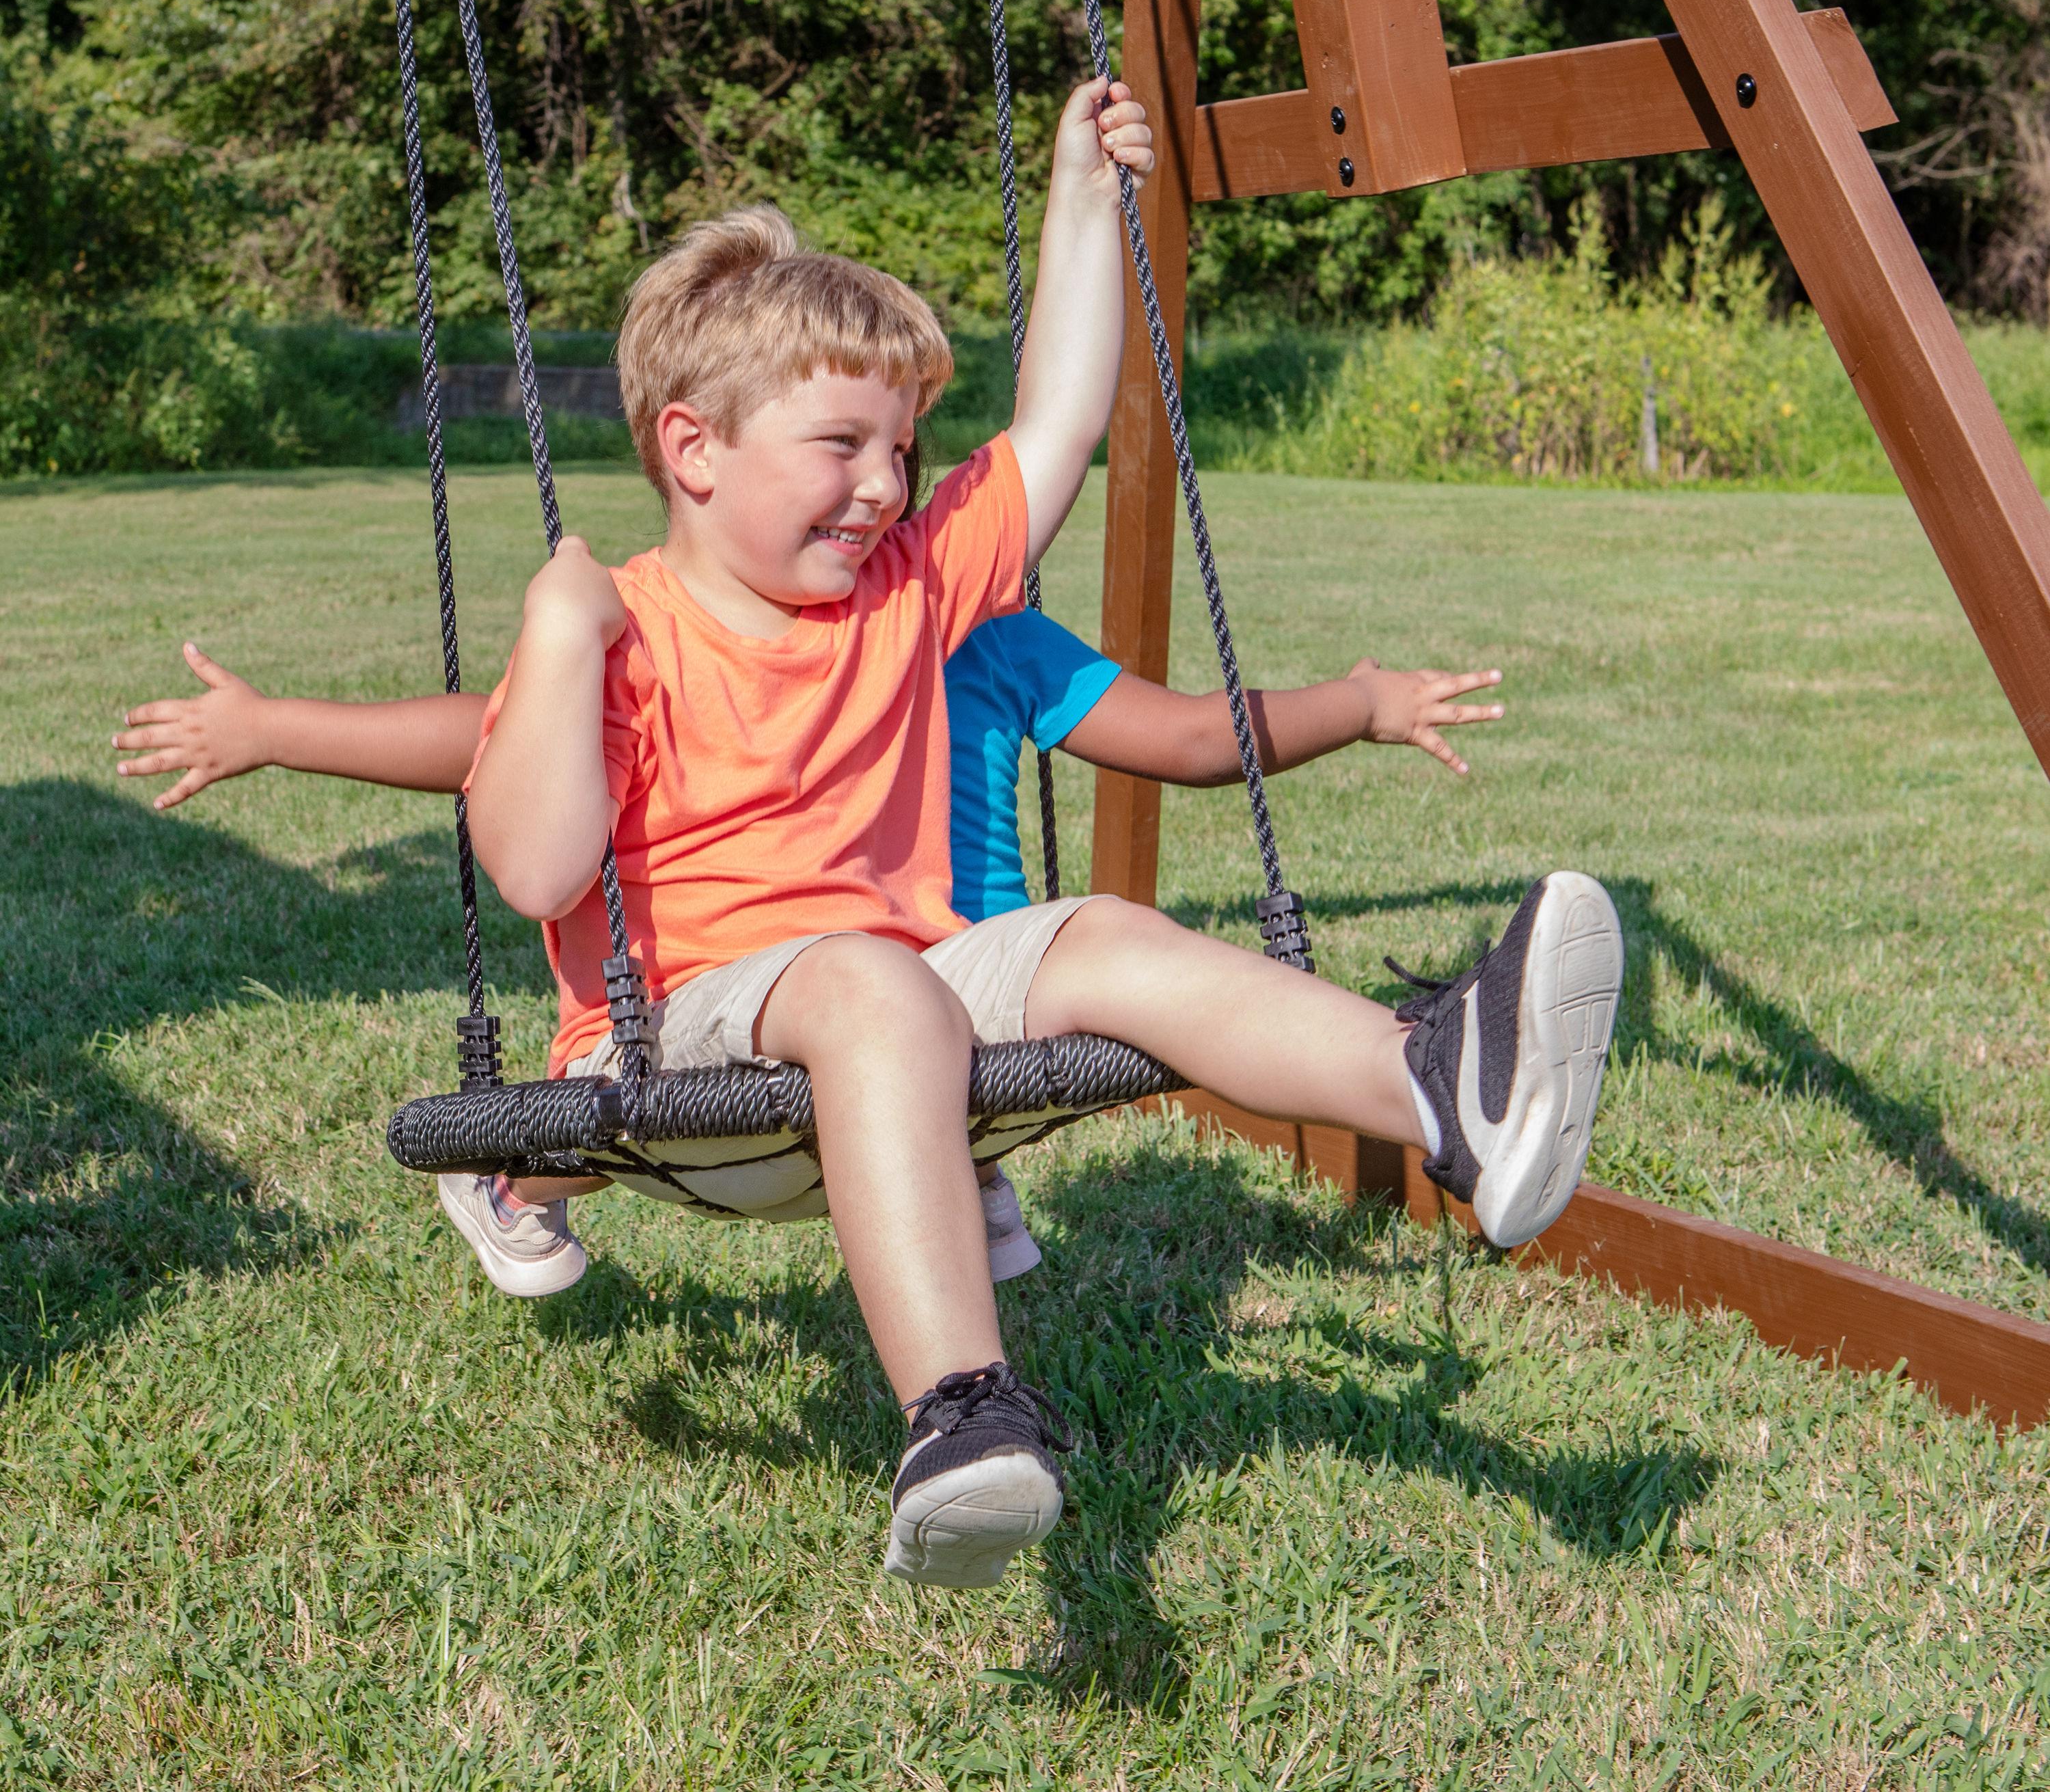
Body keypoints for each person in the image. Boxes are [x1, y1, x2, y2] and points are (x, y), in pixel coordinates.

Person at [121, 77, 1622, 1592]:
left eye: (902, 448)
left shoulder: (911, 582)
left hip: (893, 1023)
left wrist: (1079, 192)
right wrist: (557, 630)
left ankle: (1441, 1091)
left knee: (1098, 933)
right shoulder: (623, 632)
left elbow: (1063, 415)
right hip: (681, 1050)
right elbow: (533, 867)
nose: (885, 486)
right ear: (694, 451)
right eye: (842, 445)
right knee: (866, 978)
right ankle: (962, 1415)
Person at [115, 621, 1507, 1286]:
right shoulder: (730, 650)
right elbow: (491, 740)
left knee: (1048, 976)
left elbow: (1199, 739)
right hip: (753, 1005)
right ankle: (515, 1173)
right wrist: (275, 726)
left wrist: (1364, 699)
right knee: (661, 1082)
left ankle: (1434, 1087)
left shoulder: (996, 643)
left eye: (892, 459)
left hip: (961, 997)